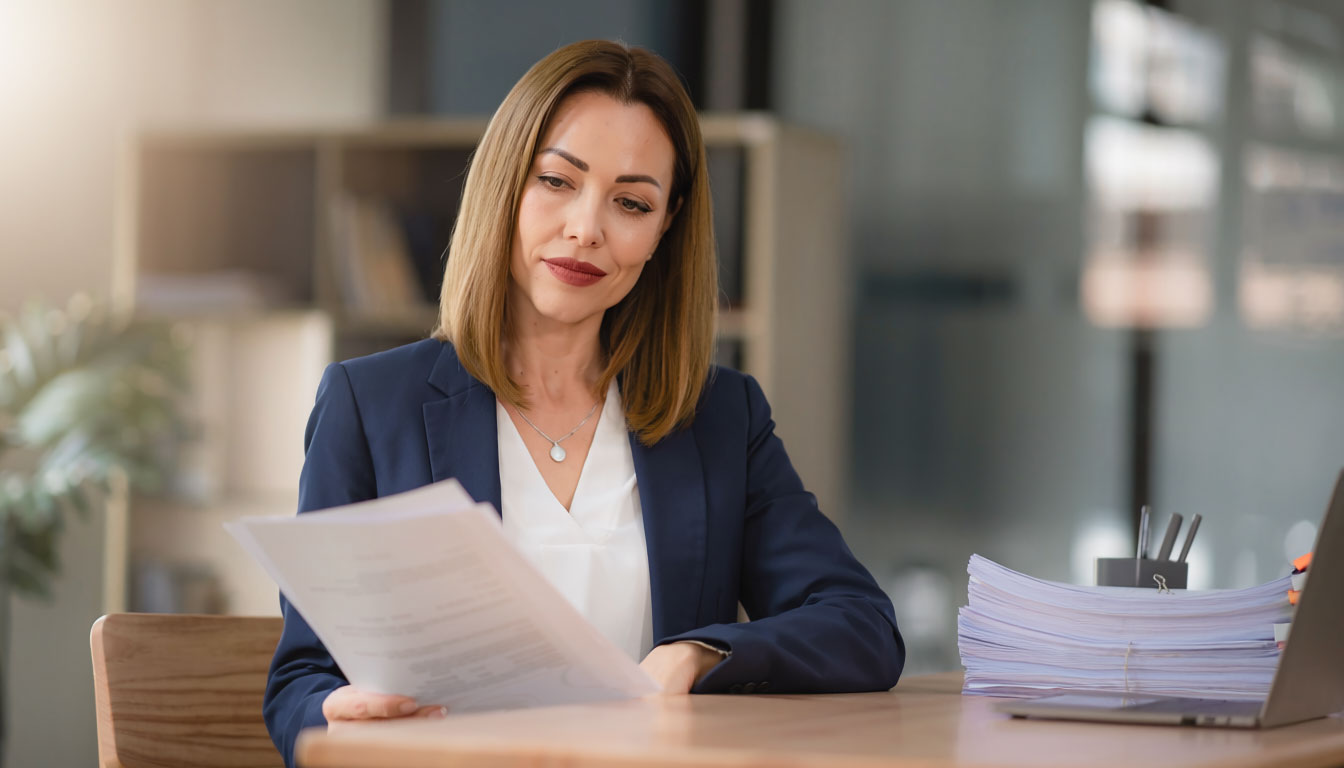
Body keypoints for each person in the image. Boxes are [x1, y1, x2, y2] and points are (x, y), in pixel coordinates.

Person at [263, 39, 904, 766]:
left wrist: (699, 654)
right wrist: (332, 713)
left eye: (631, 202)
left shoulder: (721, 417)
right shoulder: (370, 405)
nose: (586, 228)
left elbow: (861, 627)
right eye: (558, 182)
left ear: (665, 227)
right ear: (507, 183)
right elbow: (298, 681)